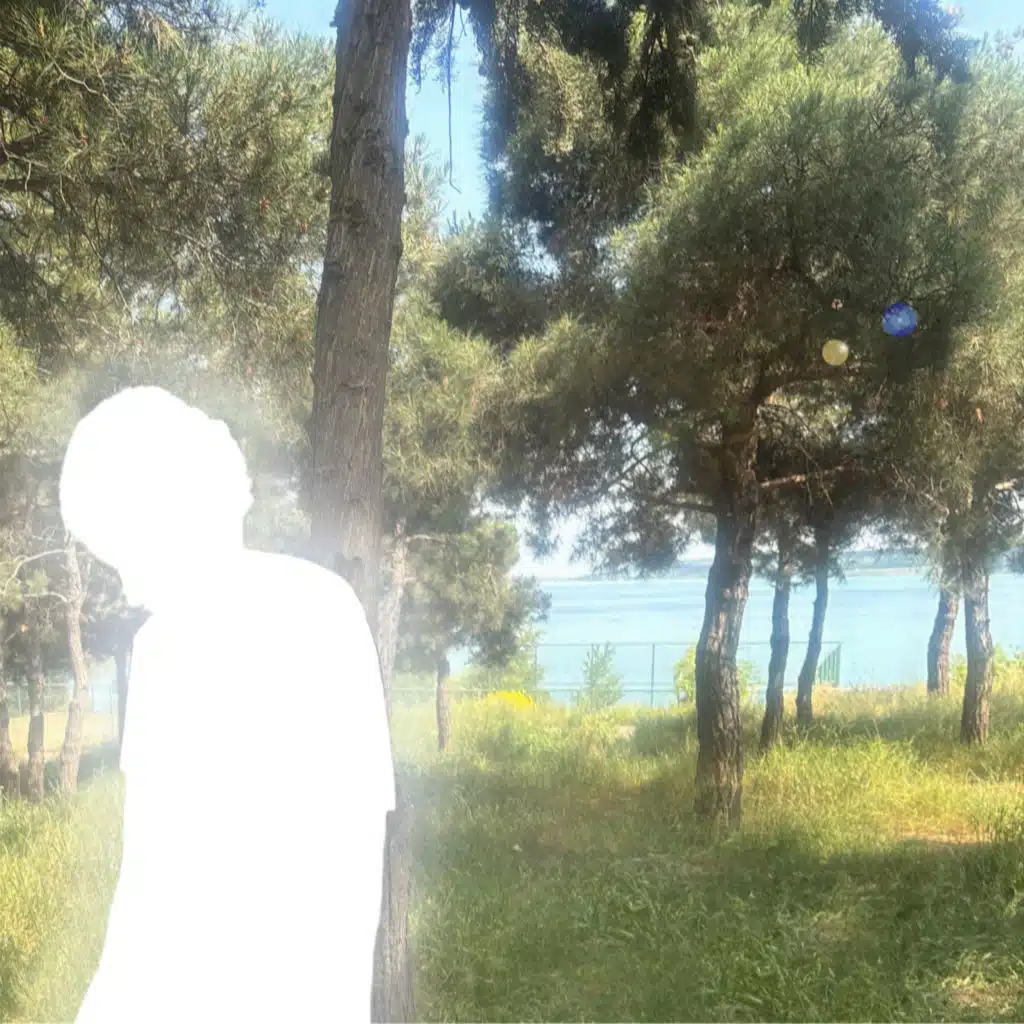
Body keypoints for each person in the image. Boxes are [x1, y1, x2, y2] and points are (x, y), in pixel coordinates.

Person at [59, 385, 395, 1023]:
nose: (126, 587)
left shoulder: (299, 619)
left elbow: (338, 871)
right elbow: (149, 883)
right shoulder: (321, 607)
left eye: (122, 551)